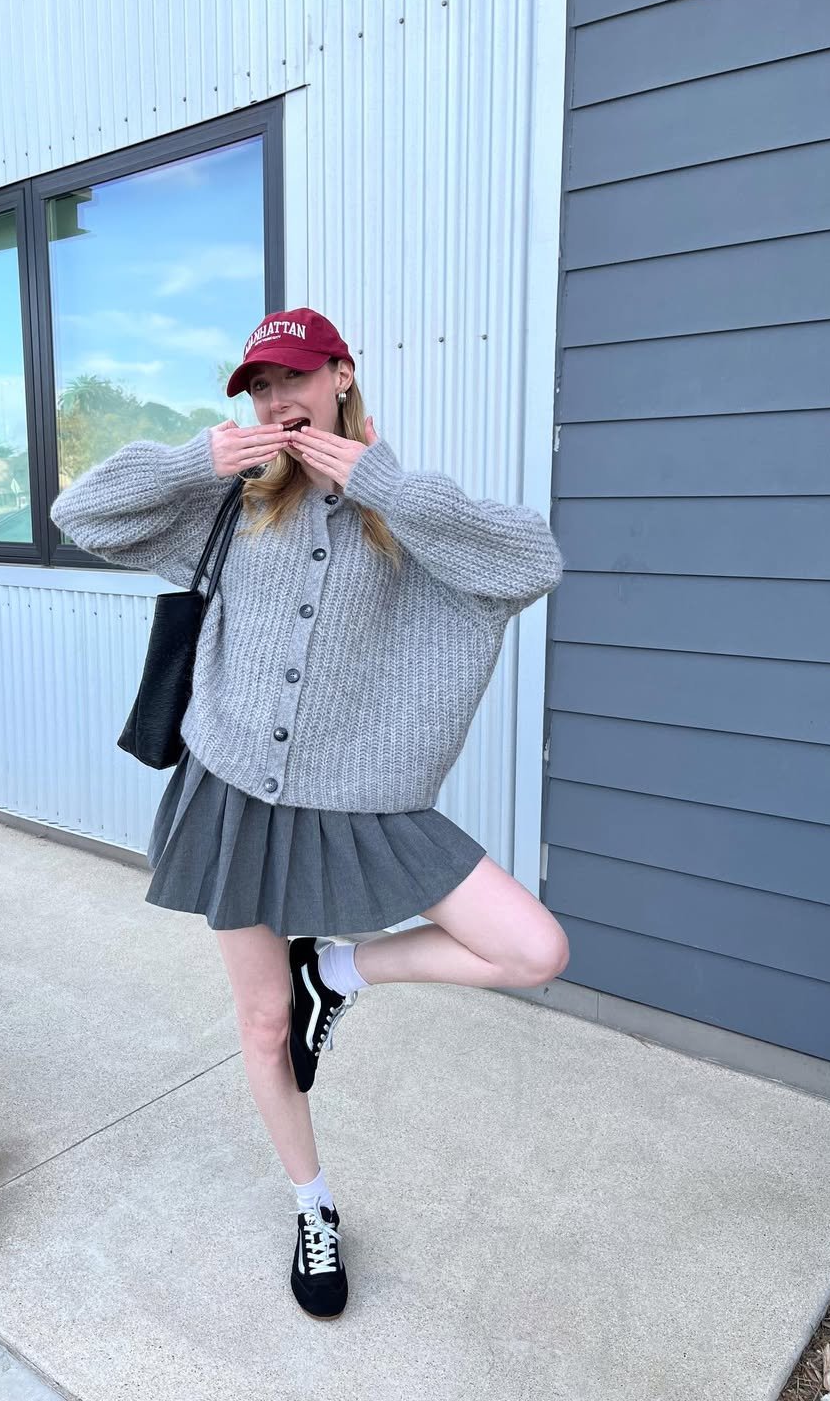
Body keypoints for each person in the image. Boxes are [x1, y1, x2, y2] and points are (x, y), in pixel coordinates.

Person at [49, 306, 567, 1322]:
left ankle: (337, 971)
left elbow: (530, 561)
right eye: (258, 386)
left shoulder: (409, 513)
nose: (275, 400)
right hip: (232, 788)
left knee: (532, 948)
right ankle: (313, 1203)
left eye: (293, 378)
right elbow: (84, 514)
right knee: (262, 1022)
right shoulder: (235, 500)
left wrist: (380, 483)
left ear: (341, 376)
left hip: (363, 797)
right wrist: (195, 459)